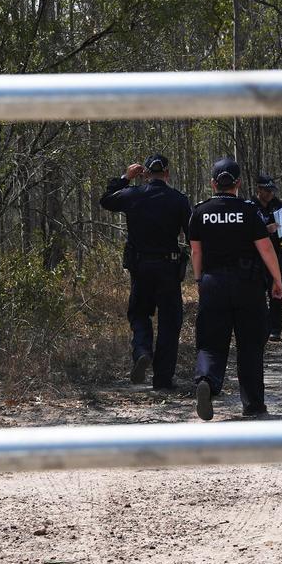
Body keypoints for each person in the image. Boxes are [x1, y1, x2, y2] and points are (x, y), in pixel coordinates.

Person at [189, 157, 282, 420]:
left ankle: (206, 381)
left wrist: (199, 280)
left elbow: (196, 251)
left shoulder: (200, 211)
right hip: (248, 286)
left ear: (213, 183)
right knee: (250, 346)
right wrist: (277, 281)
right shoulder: (249, 211)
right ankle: (253, 405)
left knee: (210, 343)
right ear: (238, 183)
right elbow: (265, 248)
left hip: (212, 284)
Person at [100, 154, 192, 390]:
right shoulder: (178, 200)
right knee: (170, 322)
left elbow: (106, 201)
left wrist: (125, 178)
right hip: (168, 268)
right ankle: (162, 379)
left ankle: (142, 351)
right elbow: (192, 235)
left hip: (141, 268)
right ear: (167, 173)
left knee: (140, 314)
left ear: (146, 173)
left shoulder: (133, 194)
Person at [251, 174, 282, 341]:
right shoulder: (250, 206)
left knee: (277, 293)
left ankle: (275, 329)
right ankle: (259, 327)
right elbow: (245, 231)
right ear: (259, 190)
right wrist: (265, 229)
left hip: (277, 254)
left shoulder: (279, 205)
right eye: (267, 191)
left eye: (272, 191)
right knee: (256, 295)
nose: (271, 194)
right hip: (255, 257)